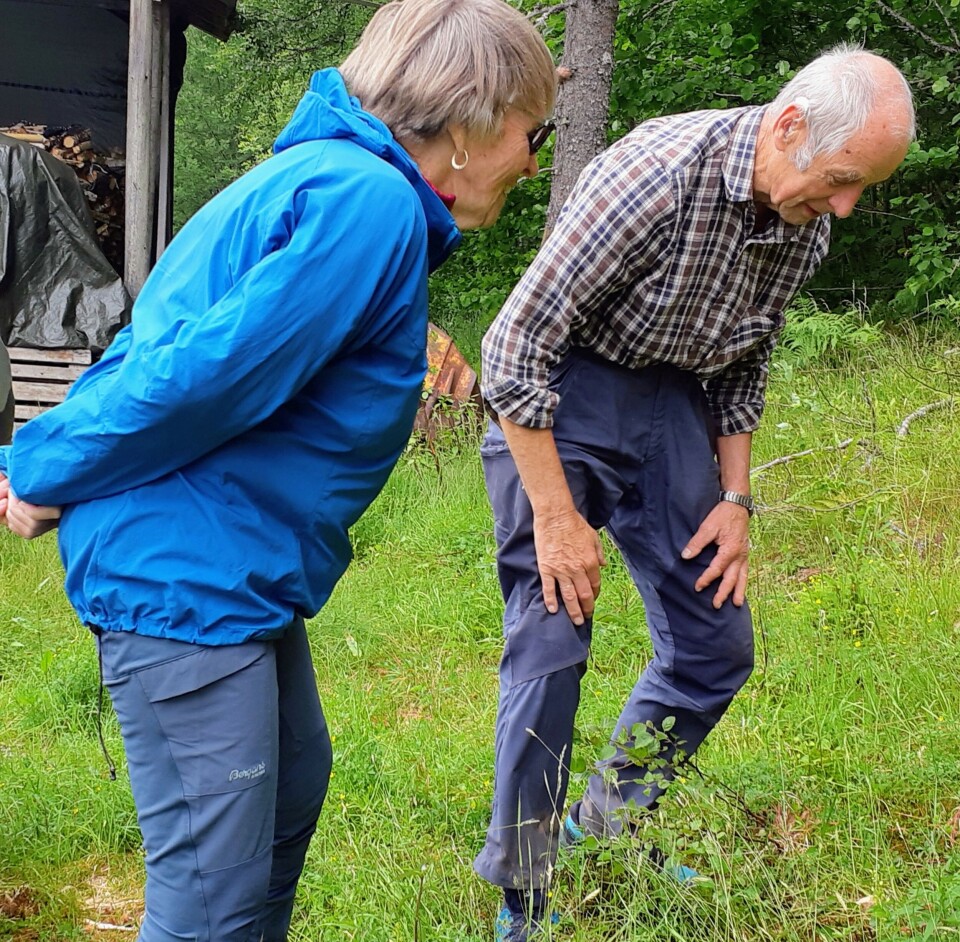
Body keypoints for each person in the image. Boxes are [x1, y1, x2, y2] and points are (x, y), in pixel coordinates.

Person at [0, 1, 556, 939]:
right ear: (466, 123)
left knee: (291, 788)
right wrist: (45, 465)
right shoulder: (366, 203)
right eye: (530, 131)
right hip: (184, 573)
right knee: (210, 896)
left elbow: (170, 349)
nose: (535, 161)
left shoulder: (331, 183)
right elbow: (204, 374)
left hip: (232, 564)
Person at [475, 44, 914, 941]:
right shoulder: (658, 176)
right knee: (553, 635)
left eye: (859, 186)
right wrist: (556, 518)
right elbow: (513, 347)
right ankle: (527, 893)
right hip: (565, 393)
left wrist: (736, 499)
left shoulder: (804, 224)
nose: (843, 207)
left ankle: (606, 825)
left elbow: (744, 367)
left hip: (674, 404)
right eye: (838, 179)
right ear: (789, 128)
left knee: (715, 643)